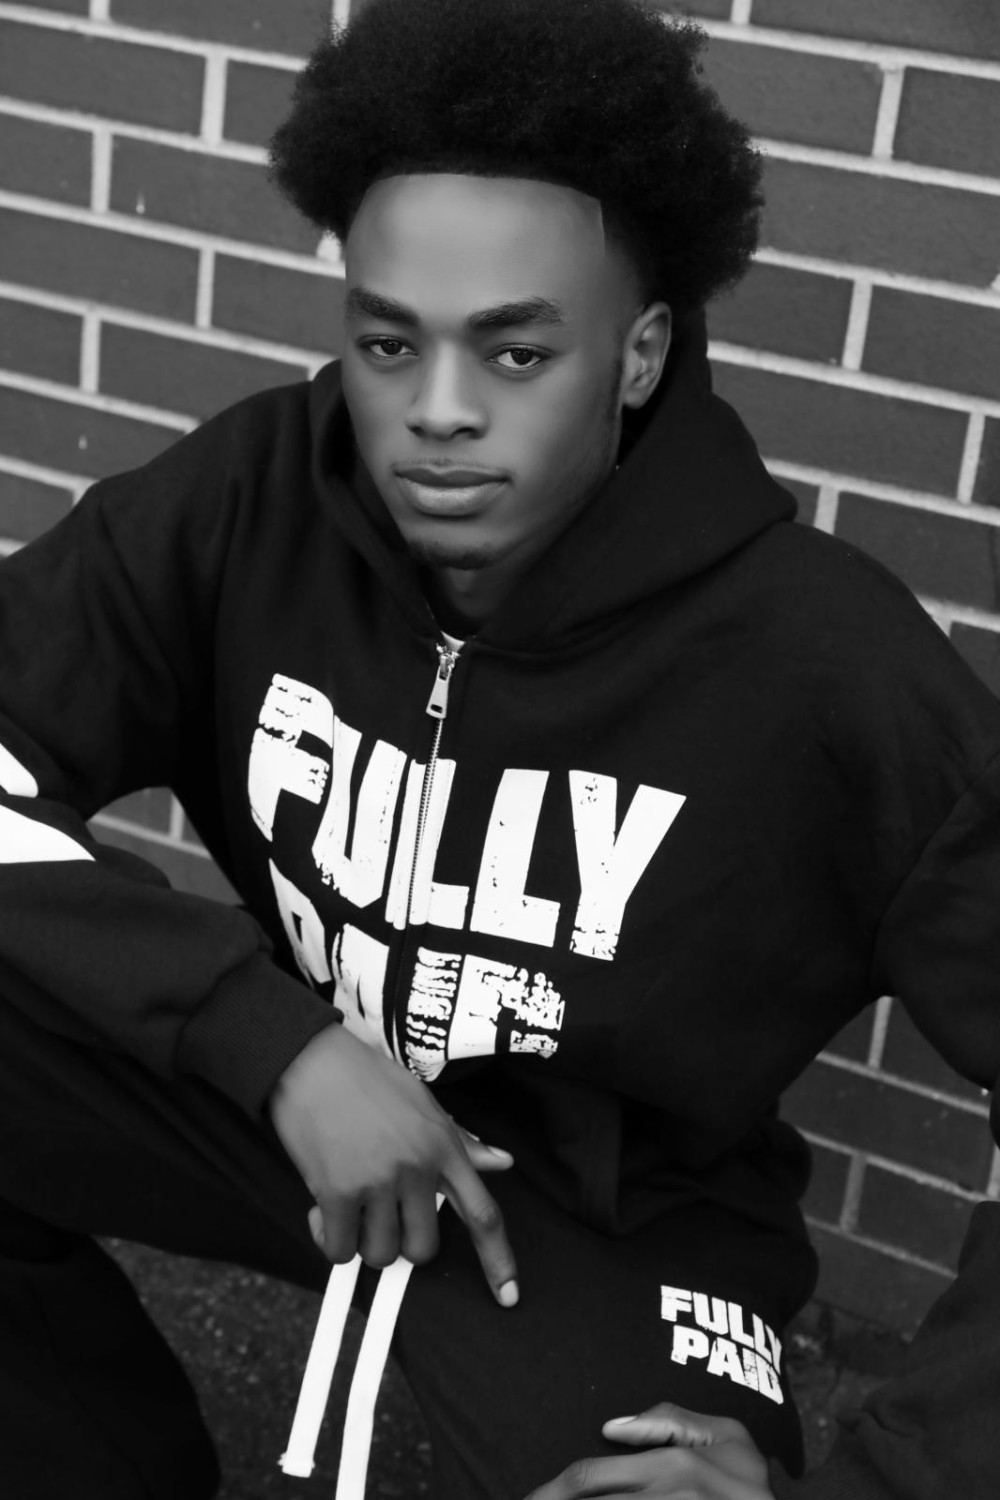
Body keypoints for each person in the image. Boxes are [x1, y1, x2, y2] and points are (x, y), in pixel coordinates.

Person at [1, 0, 999, 1495]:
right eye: (387, 343)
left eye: (517, 351)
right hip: (295, 1105)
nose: (438, 414)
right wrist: (267, 1040)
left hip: (606, 1225)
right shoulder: (256, 498)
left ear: (640, 353)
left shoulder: (822, 656)